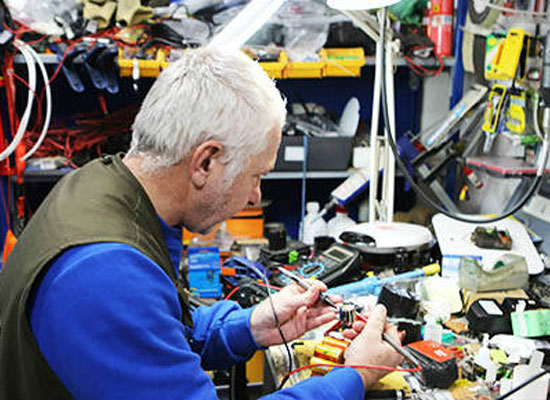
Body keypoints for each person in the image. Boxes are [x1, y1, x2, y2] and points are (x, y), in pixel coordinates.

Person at [0, 46, 403, 400]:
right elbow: (130, 311)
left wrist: (252, 325)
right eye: (256, 175)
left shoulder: (104, 187)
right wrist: (355, 376)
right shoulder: (105, 272)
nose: (255, 197)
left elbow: (159, 332)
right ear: (205, 162)